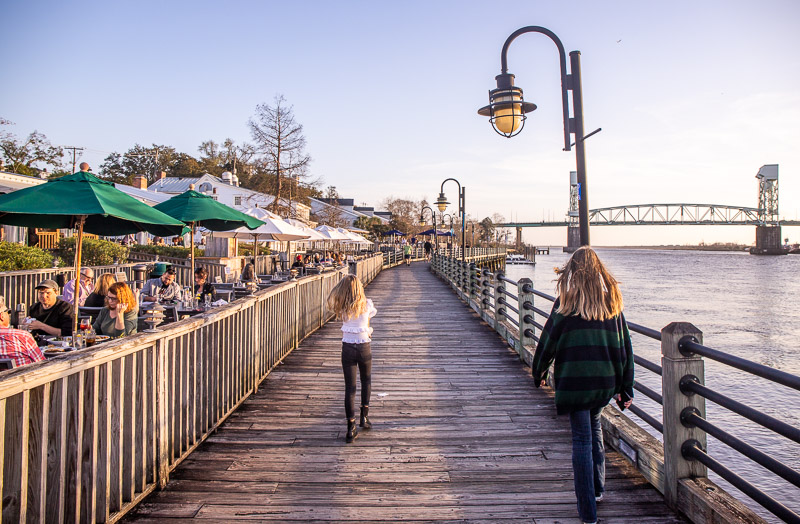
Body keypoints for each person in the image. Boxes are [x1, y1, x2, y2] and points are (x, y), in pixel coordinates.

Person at [531, 247, 634, 524]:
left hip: (575, 384)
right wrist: (626, 388)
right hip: (603, 383)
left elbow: (547, 342)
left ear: (573, 271)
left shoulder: (565, 303)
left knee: (582, 439)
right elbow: (625, 347)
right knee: (595, 426)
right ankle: (598, 490)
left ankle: (588, 512)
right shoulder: (611, 302)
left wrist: (538, 372)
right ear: (599, 270)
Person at [327, 274, 377, 443]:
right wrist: (368, 331)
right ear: (359, 288)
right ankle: (364, 417)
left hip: (347, 347)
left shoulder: (342, 307)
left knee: (350, 387)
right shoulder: (367, 304)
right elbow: (367, 325)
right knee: (366, 381)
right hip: (364, 346)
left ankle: (351, 427)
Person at [0, 296, 45, 367]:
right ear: (2, 316)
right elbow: (42, 364)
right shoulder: (22, 336)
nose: (9, 315)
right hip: (21, 377)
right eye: (8, 312)